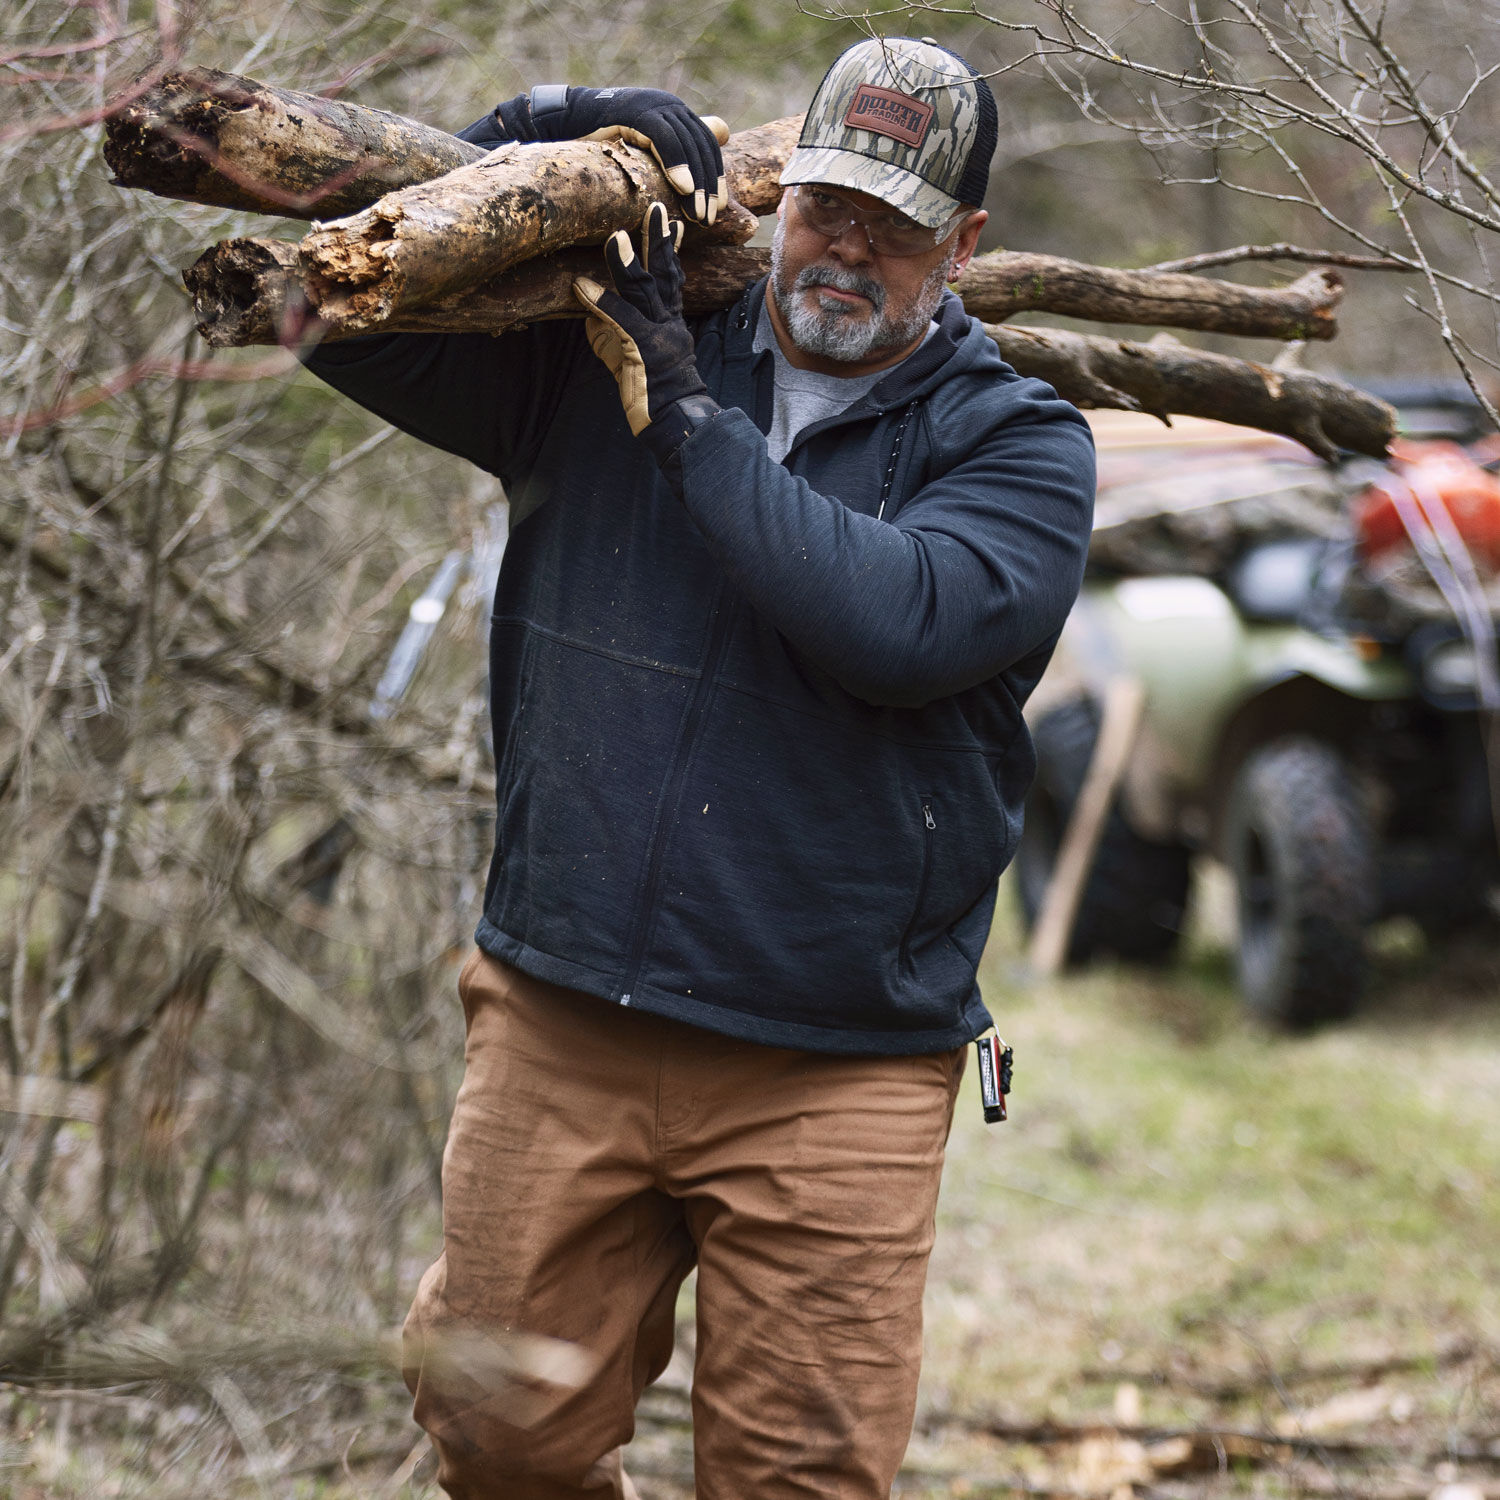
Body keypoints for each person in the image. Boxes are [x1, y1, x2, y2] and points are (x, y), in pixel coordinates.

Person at [303, 35, 1095, 1500]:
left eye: (896, 225)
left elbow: (891, 621)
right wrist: (547, 126)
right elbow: (341, 301)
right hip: (564, 1017)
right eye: (826, 206)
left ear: (966, 243)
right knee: (497, 1435)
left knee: (795, 1476)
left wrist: (677, 405)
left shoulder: (1019, 446)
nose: (847, 248)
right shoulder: (600, 349)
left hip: (836, 1063)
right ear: (778, 188)